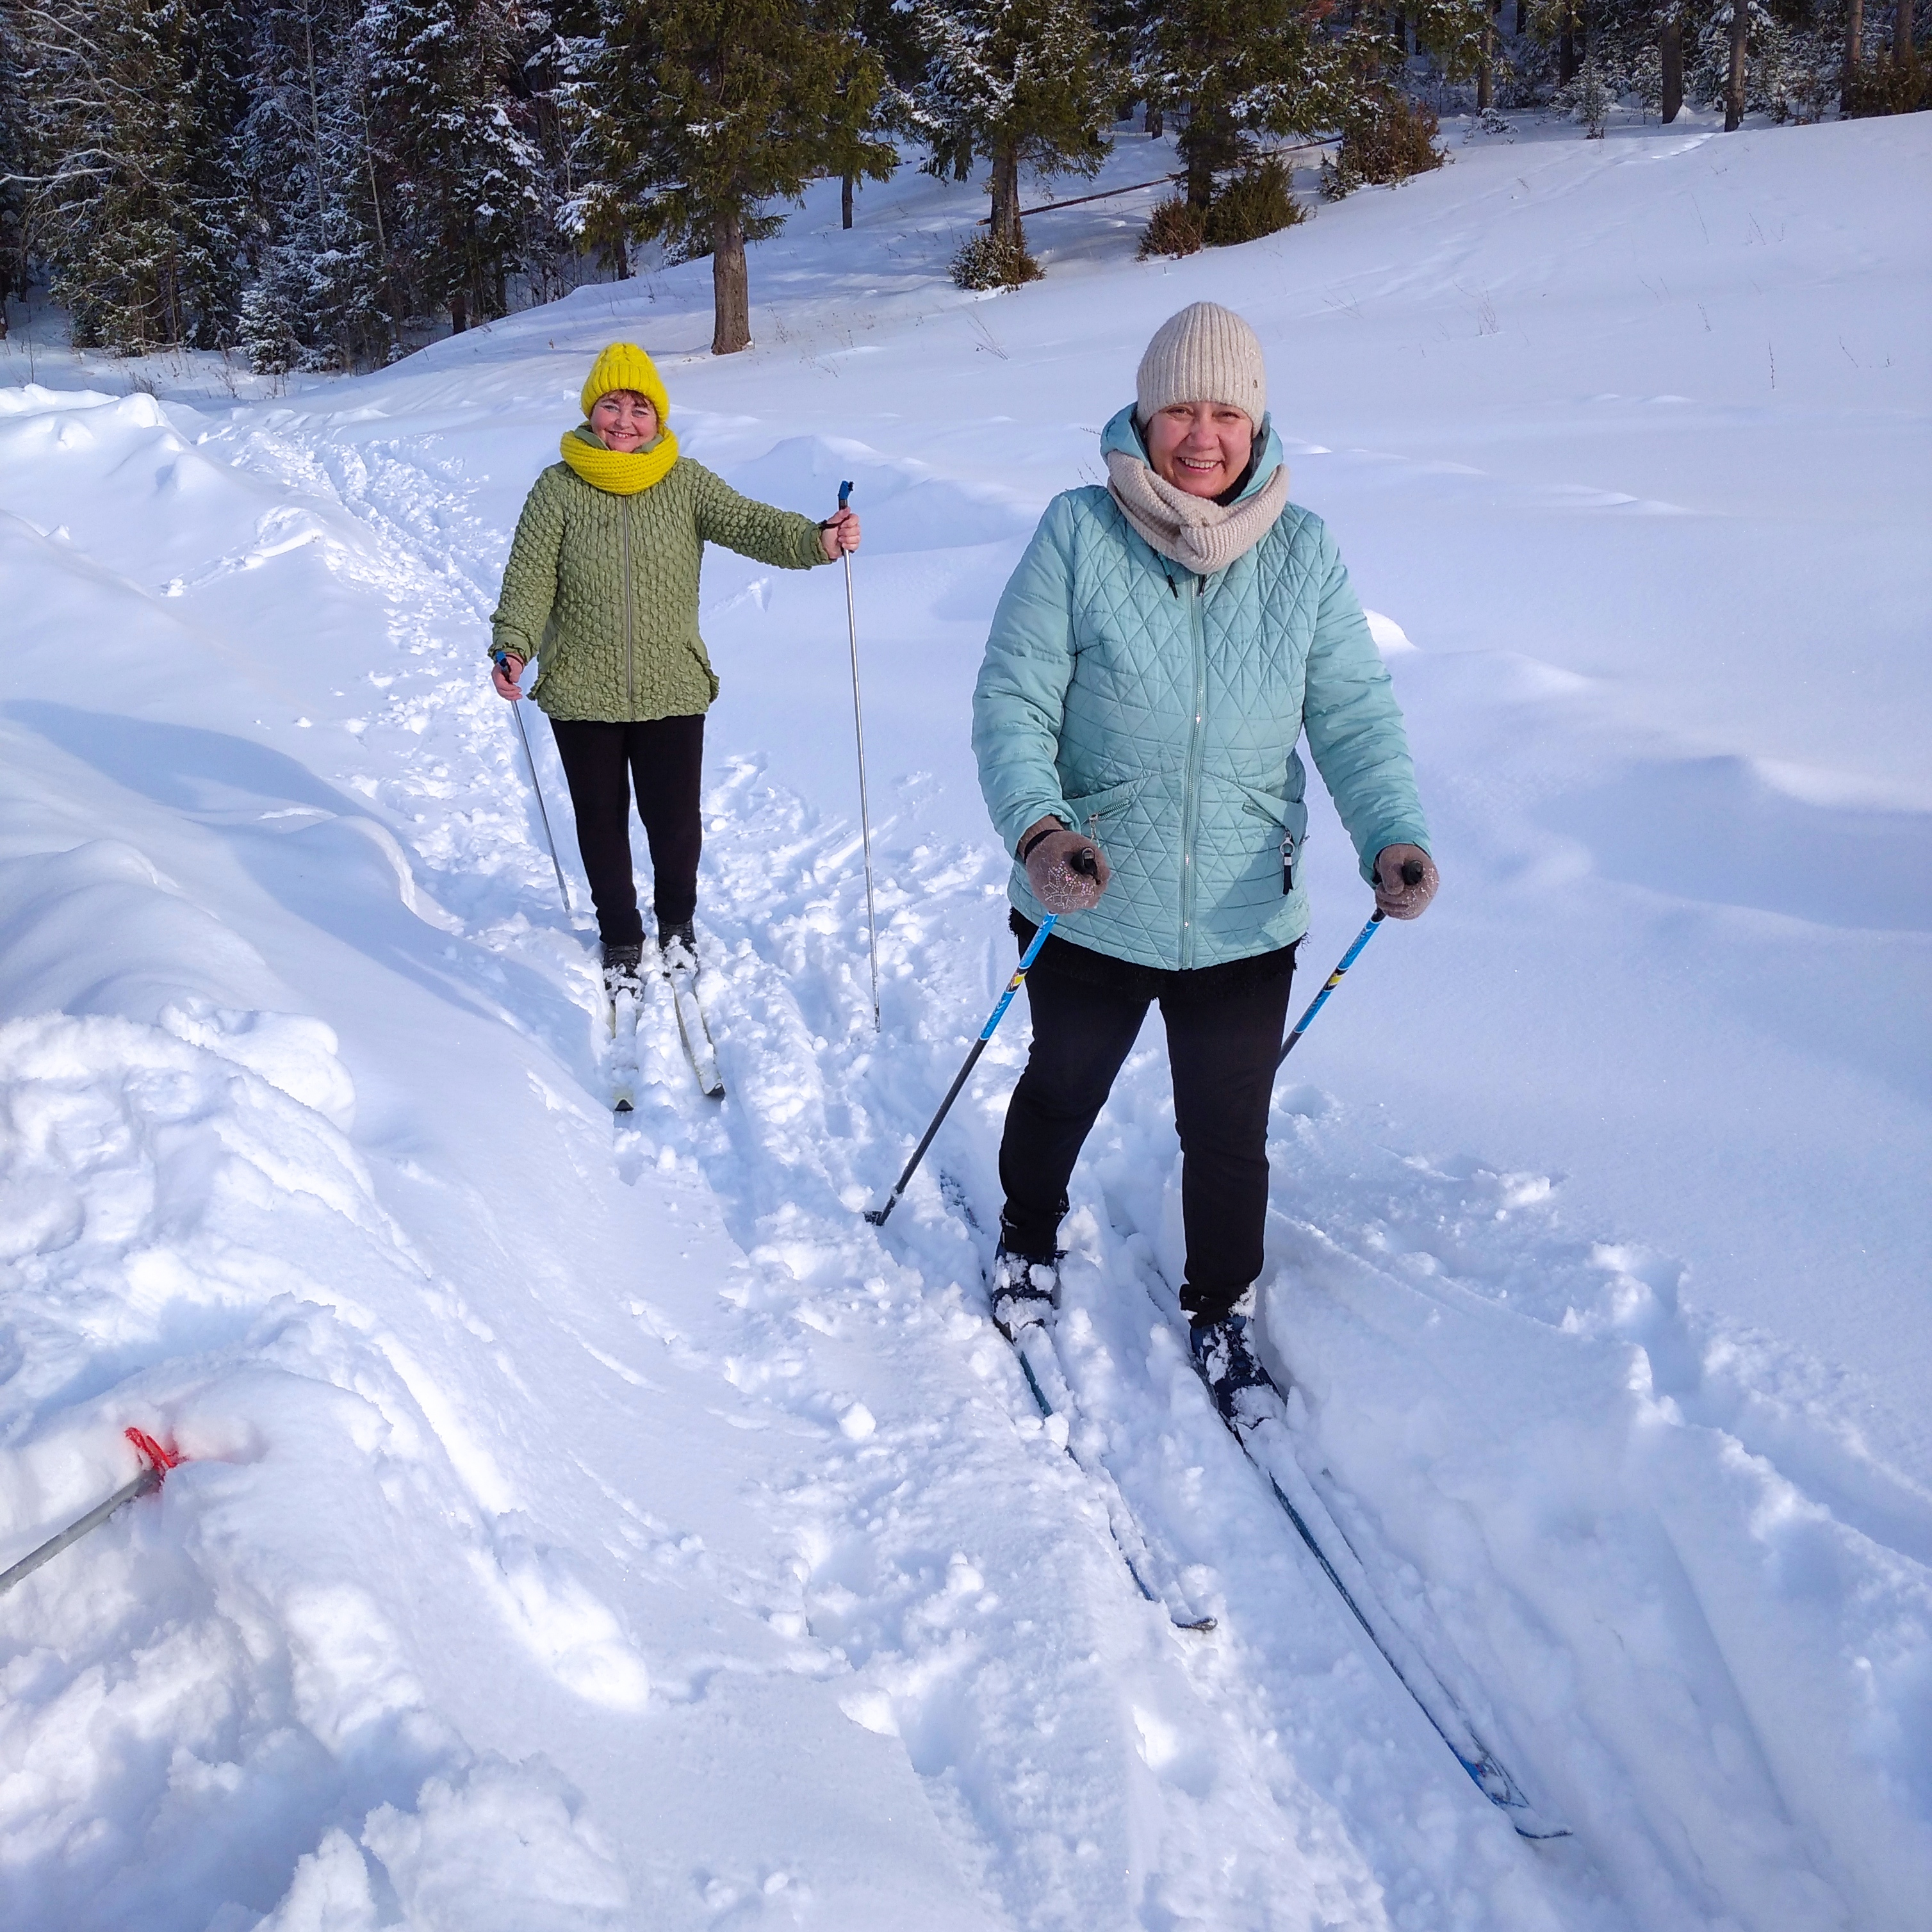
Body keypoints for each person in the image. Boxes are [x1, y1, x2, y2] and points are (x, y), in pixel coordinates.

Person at [970, 302, 1437, 1417]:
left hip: (1241, 912)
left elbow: (1354, 718)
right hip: (1087, 895)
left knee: (1229, 1135)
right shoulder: (1079, 531)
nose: (1201, 436)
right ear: (1144, 413)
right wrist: (1039, 830)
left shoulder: (1304, 550)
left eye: (1226, 411)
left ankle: (1221, 1308)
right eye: (1180, 407)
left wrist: (1394, 834)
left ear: (1257, 424)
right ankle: (1029, 1233)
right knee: (1062, 1087)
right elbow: (1013, 700)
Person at [489, 342, 860, 990]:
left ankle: (678, 921)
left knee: (674, 820)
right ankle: (620, 934)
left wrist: (817, 539)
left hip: (671, 683)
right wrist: (512, 645)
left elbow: (750, 524)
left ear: (658, 418)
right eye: (612, 405)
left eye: (640, 408)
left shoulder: (685, 482)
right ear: (591, 410)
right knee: (600, 821)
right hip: (581, 686)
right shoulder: (557, 489)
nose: (624, 422)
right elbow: (527, 580)